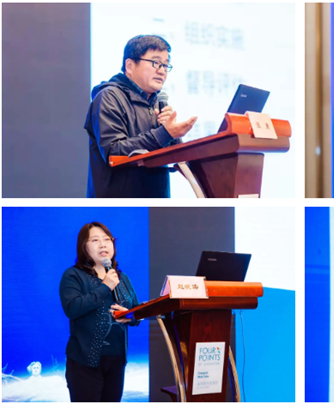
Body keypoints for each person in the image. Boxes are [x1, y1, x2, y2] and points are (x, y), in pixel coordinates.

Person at [85, 35, 198, 198]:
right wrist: (165, 133)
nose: (162, 71)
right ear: (130, 66)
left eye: (165, 65)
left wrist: (173, 136)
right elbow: (114, 151)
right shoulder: (109, 97)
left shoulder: (158, 102)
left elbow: (174, 157)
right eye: (155, 63)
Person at [59, 222, 139, 402]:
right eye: (95, 240)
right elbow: (72, 308)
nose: (103, 244)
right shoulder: (73, 275)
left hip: (117, 360)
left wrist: (129, 316)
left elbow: (136, 311)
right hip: (84, 362)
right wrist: (105, 286)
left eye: (107, 239)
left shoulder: (122, 278)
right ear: (84, 247)